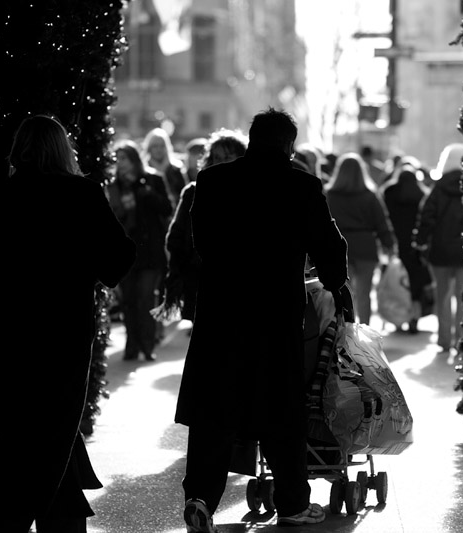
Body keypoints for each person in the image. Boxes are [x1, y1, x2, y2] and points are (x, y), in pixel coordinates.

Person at [0, 114, 136, 532]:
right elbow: (117, 259)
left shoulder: (0, 196)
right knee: (56, 425)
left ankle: (40, 513)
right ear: (63, 150)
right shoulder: (81, 194)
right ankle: (18, 518)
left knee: (23, 427)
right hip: (64, 330)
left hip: (7, 330)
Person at [176, 108, 347, 532]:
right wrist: (334, 283)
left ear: (252, 140)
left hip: (220, 313)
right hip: (275, 315)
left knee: (214, 411)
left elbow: (202, 242)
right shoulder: (301, 185)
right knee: (280, 411)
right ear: (289, 146)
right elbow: (328, 243)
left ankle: (200, 497)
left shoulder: (213, 181)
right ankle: (291, 503)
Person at [156, 128, 249, 327]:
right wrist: (178, 274)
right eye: (216, 157)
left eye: (228, 157)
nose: (221, 162)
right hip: (200, 281)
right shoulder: (193, 192)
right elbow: (176, 237)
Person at [107, 139, 173, 360]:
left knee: (145, 299)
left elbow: (166, 208)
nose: (120, 164)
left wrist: (147, 194)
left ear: (134, 160)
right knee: (129, 301)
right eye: (117, 160)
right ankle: (131, 345)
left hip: (149, 252)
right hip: (126, 252)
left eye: (124, 159)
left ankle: (147, 345)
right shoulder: (114, 186)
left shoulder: (152, 179)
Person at [324, 152, 396, 325]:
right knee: (364, 294)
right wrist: (389, 245)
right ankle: (364, 330)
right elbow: (381, 223)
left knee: (342, 292)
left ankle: (344, 328)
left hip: (339, 246)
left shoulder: (329, 196)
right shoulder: (370, 196)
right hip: (366, 247)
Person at [413, 143, 463, 356]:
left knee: (442, 296)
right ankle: (461, 340)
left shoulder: (437, 189)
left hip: (440, 251)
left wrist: (420, 241)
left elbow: (426, 217)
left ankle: (444, 339)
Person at [380, 167, 433, 333]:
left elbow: (383, 218)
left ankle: (397, 317)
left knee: (395, 283)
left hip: (396, 246)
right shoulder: (421, 195)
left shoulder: (388, 193)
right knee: (415, 286)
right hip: (414, 248)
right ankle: (414, 318)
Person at [142, 127, 188, 207]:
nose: (159, 150)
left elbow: (185, 196)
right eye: (155, 146)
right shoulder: (144, 169)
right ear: (149, 148)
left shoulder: (176, 169)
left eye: (162, 146)